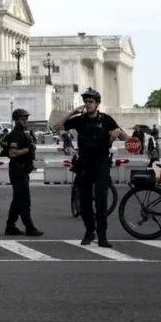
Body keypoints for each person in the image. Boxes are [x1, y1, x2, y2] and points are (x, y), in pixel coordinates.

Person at [62, 89, 127, 247]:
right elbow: (57, 126)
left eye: (91, 101)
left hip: (101, 163)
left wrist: (118, 131)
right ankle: (89, 231)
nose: (88, 104)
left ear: (97, 104)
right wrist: (72, 112)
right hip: (84, 163)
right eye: (86, 101)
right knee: (84, 202)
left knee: (101, 200)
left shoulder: (106, 120)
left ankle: (102, 236)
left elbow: (125, 137)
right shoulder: (80, 119)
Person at [2, 109, 42, 237]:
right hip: (17, 169)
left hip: (23, 170)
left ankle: (10, 227)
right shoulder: (15, 134)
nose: (25, 121)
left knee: (17, 201)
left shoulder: (24, 133)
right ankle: (29, 228)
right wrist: (28, 149)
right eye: (22, 119)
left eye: (26, 119)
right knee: (24, 200)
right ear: (16, 120)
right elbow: (12, 153)